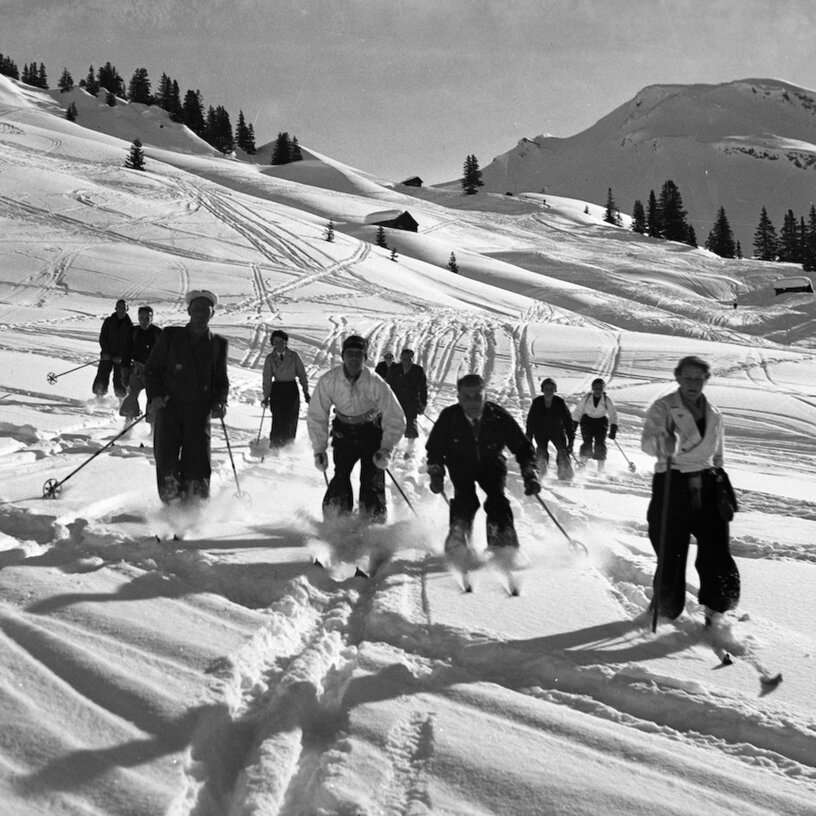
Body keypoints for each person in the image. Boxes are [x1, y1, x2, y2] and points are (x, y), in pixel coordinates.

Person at [641, 355, 740, 623]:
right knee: (671, 550)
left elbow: (718, 453)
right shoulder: (663, 408)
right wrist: (664, 442)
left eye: (699, 378)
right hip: (673, 482)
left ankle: (716, 609)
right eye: (688, 377)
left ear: (706, 380)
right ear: (678, 378)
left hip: (708, 484)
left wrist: (721, 479)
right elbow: (647, 444)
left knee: (717, 549)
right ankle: (665, 607)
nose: (693, 383)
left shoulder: (715, 413)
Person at [426, 374, 540, 556]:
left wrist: (529, 472)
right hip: (460, 463)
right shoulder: (450, 417)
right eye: (467, 397)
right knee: (465, 500)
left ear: (485, 396)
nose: (472, 403)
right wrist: (436, 472)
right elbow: (435, 449)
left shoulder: (498, 416)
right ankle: (459, 539)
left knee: (497, 500)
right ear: (459, 398)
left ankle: (502, 543)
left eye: (478, 397)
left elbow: (522, 447)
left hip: (491, 462)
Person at [308, 335, 406, 522]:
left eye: (359, 354)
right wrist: (319, 449)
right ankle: (337, 521)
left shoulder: (375, 382)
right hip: (343, 435)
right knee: (340, 475)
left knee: (371, 479)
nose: (354, 358)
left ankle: (373, 522)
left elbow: (394, 415)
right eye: (350, 354)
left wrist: (386, 448)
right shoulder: (329, 380)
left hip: (371, 434)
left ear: (365, 358)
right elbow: (316, 415)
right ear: (343, 356)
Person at [145, 290, 229, 503]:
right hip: (169, 407)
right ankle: (171, 506)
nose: (201, 314)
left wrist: (220, 400)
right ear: (189, 311)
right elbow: (152, 369)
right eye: (197, 309)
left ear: (212, 314)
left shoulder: (218, 344)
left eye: (206, 311)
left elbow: (220, 380)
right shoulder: (171, 336)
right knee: (166, 460)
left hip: (199, 412)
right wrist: (155, 396)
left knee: (198, 462)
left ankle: (195, 509)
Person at [261, 329, 310, 447]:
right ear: (272, 343)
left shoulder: (293, 356)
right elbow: (267, 378)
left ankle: (288, 443)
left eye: (281, 341)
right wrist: (266, 396)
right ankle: (275, 442)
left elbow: (302, 374)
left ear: (286, 342)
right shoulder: (270, 358)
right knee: (277, 416)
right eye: (275, 341)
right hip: (277, 389)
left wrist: (306, 392)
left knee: (291, 416)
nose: (278, 344)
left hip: (291, 389)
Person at [525, 377, 574, 481]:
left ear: (554, 390)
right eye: (546, 389)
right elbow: (531, 421)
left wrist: (571, 441)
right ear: (542, 390)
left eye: (551, 389)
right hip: (540, 431)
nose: (549, 391)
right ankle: (540, 475)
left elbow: (568, 421)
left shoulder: (559, 402)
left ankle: (565, 475)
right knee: (541, 452)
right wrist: (528, 437)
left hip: (557, 430)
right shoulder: (537, 402)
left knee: (562, 451)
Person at [119, 306, 162, 420]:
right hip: (137, 369)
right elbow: (126, 352)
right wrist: (125, 373)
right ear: (138, 317)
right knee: (132, 396)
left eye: (147, 317)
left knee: (153, 400)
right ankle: (128, 425)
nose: (144, 320)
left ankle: (153, 431)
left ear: (152, 318)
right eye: (142, 317)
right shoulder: (133, 332)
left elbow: (165, 355)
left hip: (153, 372)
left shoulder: (158, 333)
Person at [387, 348, 428, 457]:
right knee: (395, 423)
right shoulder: (395, 368)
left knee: (411, 423)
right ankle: (394, 447)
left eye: (409, 358)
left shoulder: (418, 370)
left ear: (412, 359)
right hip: (396, 400)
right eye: (404, 358)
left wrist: (423, 403)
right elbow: (388, 385)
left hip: (411, 401)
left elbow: (423, 388)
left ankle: (410, 450)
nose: (406, 360)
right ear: (400, 358)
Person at [572, 377, 619, 472]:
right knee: (587, 443)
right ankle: (582, 465)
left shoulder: (606, 400)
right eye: (595, 388)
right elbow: (578, 411)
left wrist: (613, 428)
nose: (597, 391)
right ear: (592, 389)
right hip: (587, 421)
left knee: (600, 443)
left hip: (601, 422)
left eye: (600, 389)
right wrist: (574, 425)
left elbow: (613, 414)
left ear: (603, 389)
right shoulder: (587, 398)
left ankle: (601, 468)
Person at [92, 298, 133, 399]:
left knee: (120, 379)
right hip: (107, 354)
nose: (121, 310)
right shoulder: (109, 321)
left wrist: (121, 356)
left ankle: (121, 400)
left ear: (127, 309)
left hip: (121, 358)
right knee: (102, 375)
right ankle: (99, 396)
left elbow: (129, 344)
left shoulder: (130, 326)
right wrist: (105, 352)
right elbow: (103, 337)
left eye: (123, 308)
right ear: (116, 308)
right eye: (119, 307)